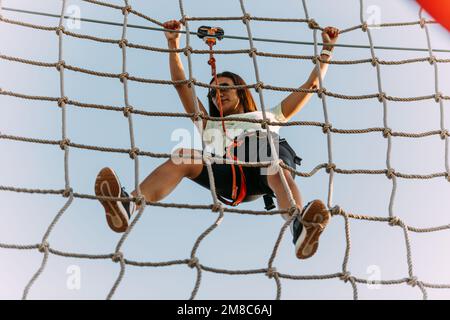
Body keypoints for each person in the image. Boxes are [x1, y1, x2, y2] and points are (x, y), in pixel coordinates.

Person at [94, 19, 340, 259]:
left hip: (267, 158)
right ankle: (129, 205)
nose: (217, 94)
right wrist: (173, 45)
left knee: (275, 168)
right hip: (234, 173)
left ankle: (298, 225)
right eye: (212, 92)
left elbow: (311, 84)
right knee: (183, 156)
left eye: (224, 87)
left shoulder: (268, 115)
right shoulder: (211, 125)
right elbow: (182, 86)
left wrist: (327, 49)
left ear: (240, 91)